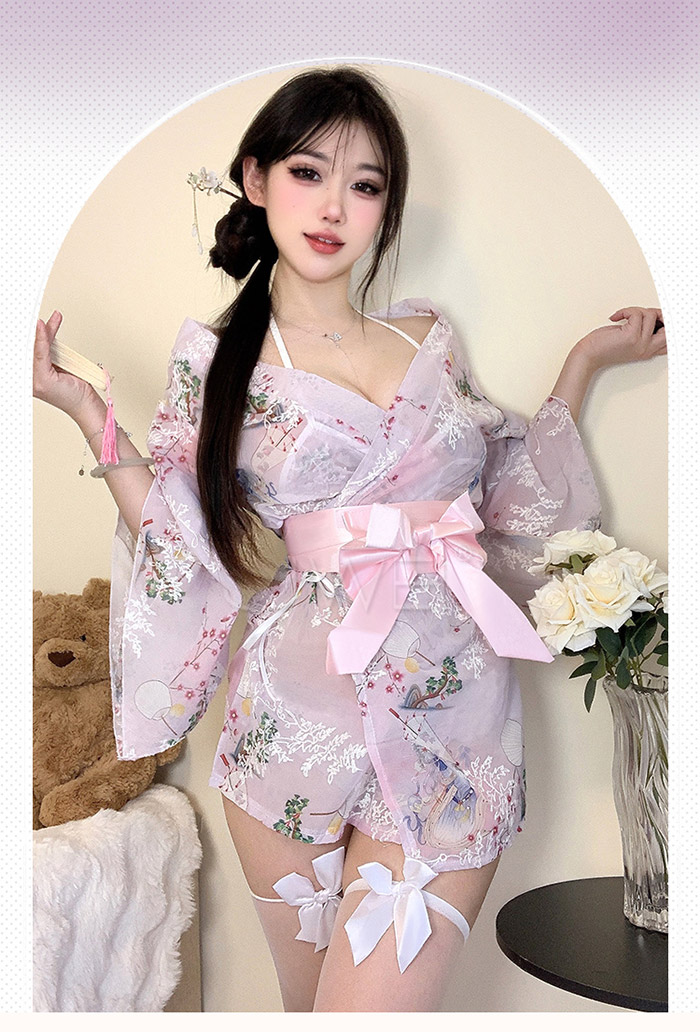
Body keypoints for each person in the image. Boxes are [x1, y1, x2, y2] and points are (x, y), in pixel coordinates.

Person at [33, 65, 666, 1013]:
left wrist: (585, 363)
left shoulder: (428, 340)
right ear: (256, 179)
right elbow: (177, 530)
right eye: (308, 171)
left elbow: (507, 496)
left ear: (385, 209)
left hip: (456, 713)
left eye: (365, 184)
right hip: (292, 724)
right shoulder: (215, 364)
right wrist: (91, 417)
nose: (334, 205)